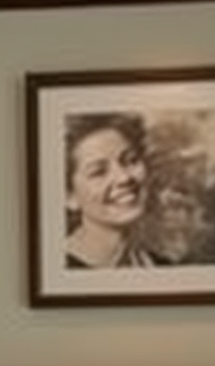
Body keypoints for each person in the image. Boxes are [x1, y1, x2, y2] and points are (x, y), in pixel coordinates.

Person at [63, 112, 168, 270]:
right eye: (99, 172)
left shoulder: (162, 267)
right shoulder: (63, 268)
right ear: (69, 196)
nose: (124, 178)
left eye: (131, 160)